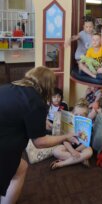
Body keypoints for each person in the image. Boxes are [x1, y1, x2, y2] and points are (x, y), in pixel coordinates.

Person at [0, 66, 76, 204]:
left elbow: (15, 115)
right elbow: (40, 142)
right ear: (48, 85)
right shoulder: (36, 102)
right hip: (4, 147)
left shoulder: (8, 87)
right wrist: (66, 136)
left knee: (21, 167)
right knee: (19, 170)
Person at [50, 99, 93, 170]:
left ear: (86, 117)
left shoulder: (87, 126)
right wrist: (72, 151)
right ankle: (81, 159)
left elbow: (85, 144)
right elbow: (65, 141)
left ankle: (62, 164)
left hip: (81, 147)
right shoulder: (69, 123)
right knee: (56, 152)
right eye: (76, 115)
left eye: (81, 116)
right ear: (72, 113)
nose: (78, 117)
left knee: (89, 152)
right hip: (69, 147)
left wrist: (76, 151)